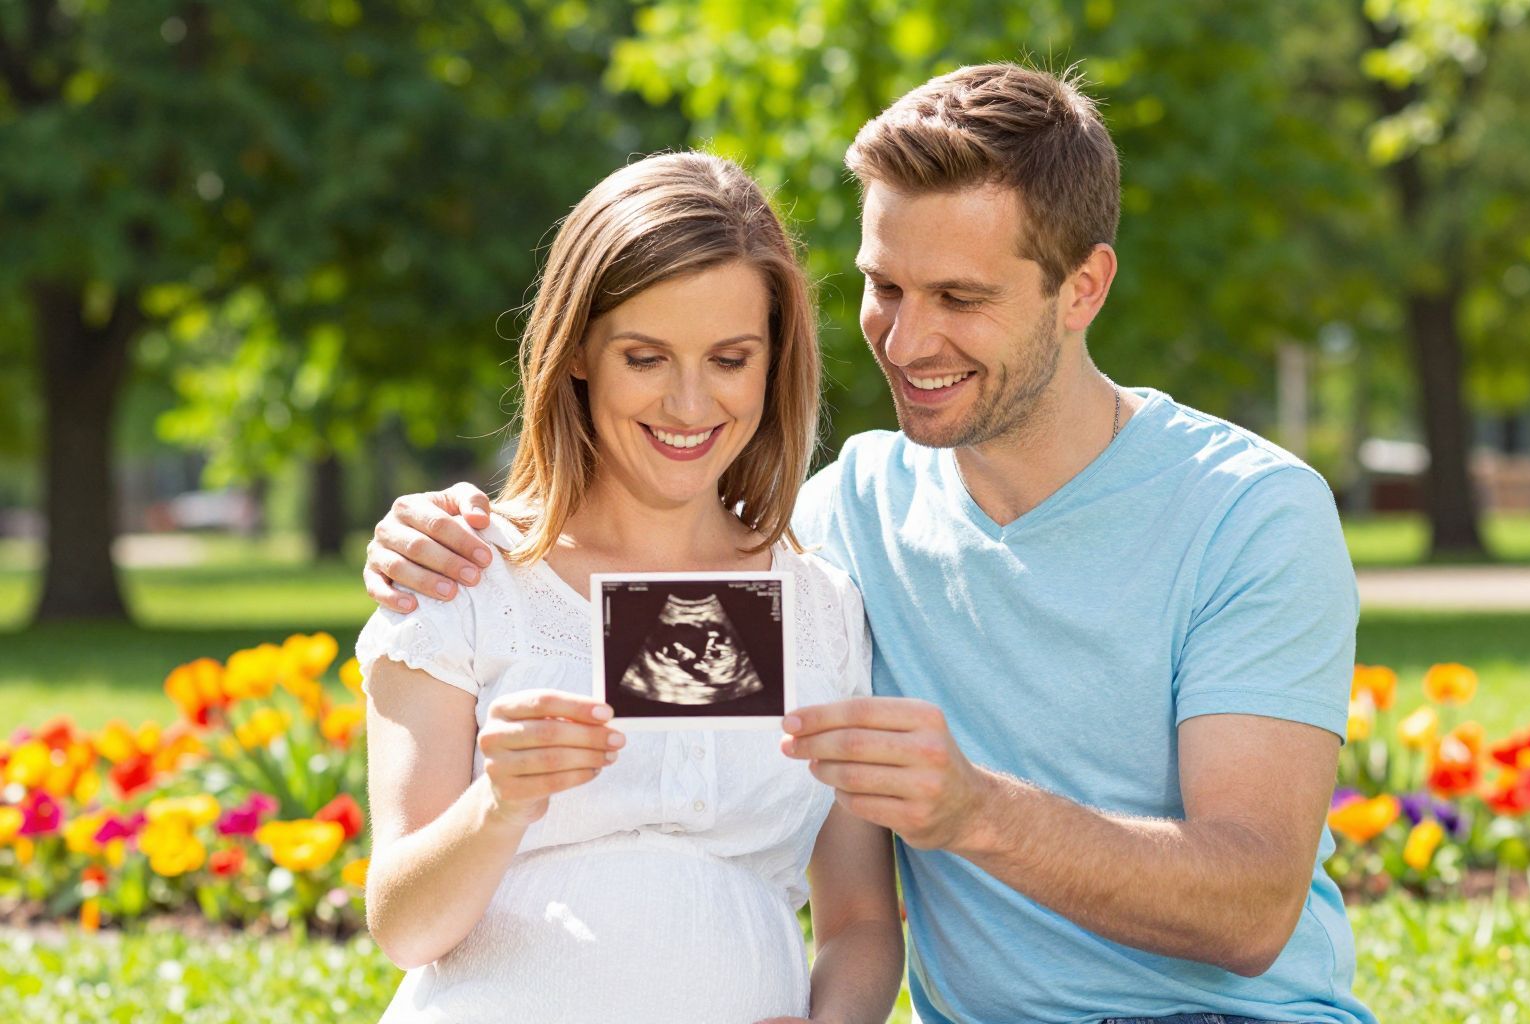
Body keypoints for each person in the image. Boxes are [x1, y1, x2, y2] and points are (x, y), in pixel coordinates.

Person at [364, 65, 1376, 1024]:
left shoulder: (1248, 514)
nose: (905, 340)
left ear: (1083, 287)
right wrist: (438, 538)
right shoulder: (845, 524)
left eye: (960, 298)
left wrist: (975, 812)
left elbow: (1251, 911)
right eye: (885, 286)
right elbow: (651, 636)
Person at [354, 150, 903, 1024]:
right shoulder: (463, 574)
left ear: (774, 361)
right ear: (578, 352)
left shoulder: (820, 607)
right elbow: (404, 928)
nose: (688, 404)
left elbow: (862, 920)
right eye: (645, 357)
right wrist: (498, 804)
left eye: (730, 359)